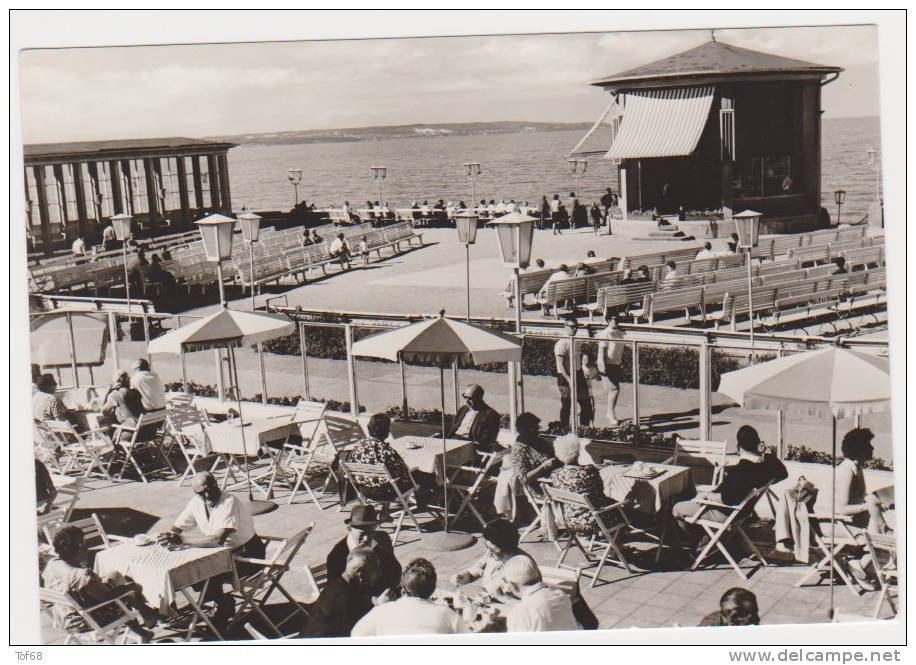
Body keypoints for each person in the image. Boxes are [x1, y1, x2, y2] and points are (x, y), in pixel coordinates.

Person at [157, 472, 265, 627]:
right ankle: (172, 608)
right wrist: (168, 536)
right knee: (186, 566)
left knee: (201, 570)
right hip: (225, 553)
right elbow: (179, 526)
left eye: (209, 490)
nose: (207, 496)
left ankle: (223, 604)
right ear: (196, 493)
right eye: (201, 493)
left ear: (216, 484)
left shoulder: (229, 502)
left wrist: (181, 540)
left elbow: (217, 539)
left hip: (248, 555)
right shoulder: (196, 502)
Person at [673, 426, 788, 547]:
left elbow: (728, 499)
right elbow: (783, 473)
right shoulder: (765, 465)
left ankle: (695, 542)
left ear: (739, 447)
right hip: (743, 512)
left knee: (676, 508)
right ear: (757, 445)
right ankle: (706, 539)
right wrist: (766, 452)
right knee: (690, 498)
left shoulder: (741, 470)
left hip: (724, 512)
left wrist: (706, 496)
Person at [42, 525, 158, 642]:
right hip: (86, 620)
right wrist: (131, 586)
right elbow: (108, 596)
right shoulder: (83, 575)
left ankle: (146, 619)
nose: (86, 548)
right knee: (126, 593)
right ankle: (145, 620)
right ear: (79, 546)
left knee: (114, 575)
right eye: (84, 543)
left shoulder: (53, 564)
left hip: (64, 616)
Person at [352, 558, 466, 636]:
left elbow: (356, 634)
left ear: (402, 591)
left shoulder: (381, 610)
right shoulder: (447, 615)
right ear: (432, 591)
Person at [325, 504, 403, 598]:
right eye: (362, 534)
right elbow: (336, 593)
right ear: (349, 529)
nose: (366, 538)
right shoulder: (337, 556)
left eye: (371, 532)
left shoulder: (382, 539)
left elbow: (395, 570)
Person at [302, 547, 380, 638]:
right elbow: (359, 631)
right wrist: (379, 608)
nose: (379, 573)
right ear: (359, 573)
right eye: (376, 569)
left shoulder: (341, 584)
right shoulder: (343, 598)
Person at [549, 434, 617, 536]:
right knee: (618, 508)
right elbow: (601, 491)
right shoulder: (588, 471)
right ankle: (615, 546)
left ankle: (586, 537)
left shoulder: (555, 474)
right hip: (593, 520)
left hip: (568, 521)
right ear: (577, 453)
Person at [494, 412, 557, 517]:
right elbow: (524, 478)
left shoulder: (539, 442)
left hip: (552, 480)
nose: (538, 430)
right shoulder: (519, 449)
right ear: (526, 430)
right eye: (535, 428)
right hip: (539, 486)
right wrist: (543, 466)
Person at [452, 518, 533, 599]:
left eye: (494, 550)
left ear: (507, 547)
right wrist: (462, 577)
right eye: (487, 547)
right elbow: (474, 572)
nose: (489, 553)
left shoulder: (522, 566)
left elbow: (526, 603)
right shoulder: (492, 554)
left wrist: (500, 598)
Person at [343, 413, 414, 503]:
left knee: (386, 475)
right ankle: (421, 503)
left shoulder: (359, 444)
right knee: (416, 475)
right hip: (384, 492)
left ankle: (385, 510)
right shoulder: (385, 449)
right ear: (386, 431)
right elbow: (403, 470)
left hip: (363, 489)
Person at [503, 555, 580, 633]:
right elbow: (539, 606)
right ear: (538, 574)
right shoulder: (560, 594)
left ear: (512, 584)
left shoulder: (519, 614)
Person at [554, 317, 593, 430]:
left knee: (586, 404)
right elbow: (560, 364)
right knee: (567, 405)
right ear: (565, 327)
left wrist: (584, 365)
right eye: (571, 326)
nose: (574, 329)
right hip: (564, 376)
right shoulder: (561, 344)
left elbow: (583, 355)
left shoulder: (576, 341)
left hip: (578, 374)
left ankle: (584, 428)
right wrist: (569, 379)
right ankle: (564, 428)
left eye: (576, 326)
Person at [448, 384, 501, 454]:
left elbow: (488, 437)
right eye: (465, 397)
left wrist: (474, 444)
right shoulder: (463, 409)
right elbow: (453, 427)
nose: (466, 401)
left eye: (470, 398)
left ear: (479, 397)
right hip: (454, 440)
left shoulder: (491, 415)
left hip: (470, 445)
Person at [596, 310, 625, 426]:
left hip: (616, 364)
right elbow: (601, 350)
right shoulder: (605, 333)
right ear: (608, 320)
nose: (616, 321)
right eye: (614, 319)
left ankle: (610, 412)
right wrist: (601, 363)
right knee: (614, 390)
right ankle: (610, 413)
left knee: (612, 391)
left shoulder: (619, 332)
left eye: (618, 319)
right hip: (607, 365)